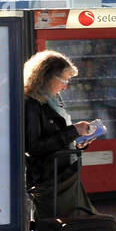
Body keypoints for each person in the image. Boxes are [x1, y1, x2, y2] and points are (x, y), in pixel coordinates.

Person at [23, 50, 98, 220]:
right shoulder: (32, 104)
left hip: (63, 174)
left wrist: (78, 141)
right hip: (47, 179)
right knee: (47, 225)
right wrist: (73, 131)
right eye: (63, 80)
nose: (65, 86)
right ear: (46, 76)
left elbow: (57, 134)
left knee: (67, 223)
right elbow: (33, 147)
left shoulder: (54, 100)